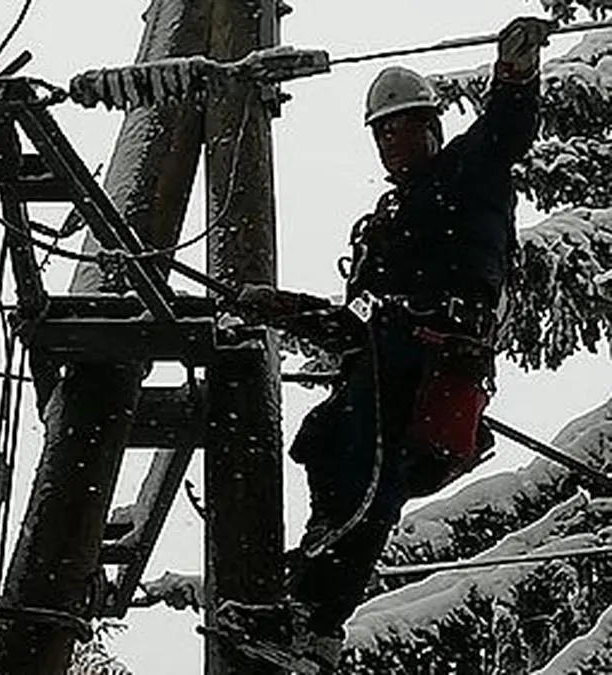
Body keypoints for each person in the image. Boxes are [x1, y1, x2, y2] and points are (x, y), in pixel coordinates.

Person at [221, 15, 553, 671]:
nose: (391, 143)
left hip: (431, 358)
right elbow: (354, 324)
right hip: (379, 360)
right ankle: (302, 600)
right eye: (381, 133)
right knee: (323, 445)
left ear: (431, 126)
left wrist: (515, 74)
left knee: (372, 479)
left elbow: (504, 133)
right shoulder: (384, 224)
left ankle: (314, 619)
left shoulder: (466, 173)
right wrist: (283, 309)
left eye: (401, 127)